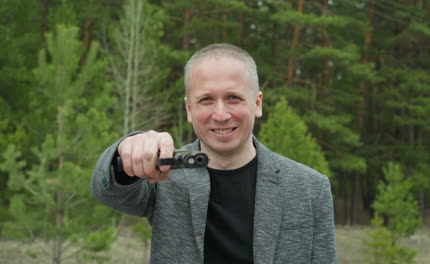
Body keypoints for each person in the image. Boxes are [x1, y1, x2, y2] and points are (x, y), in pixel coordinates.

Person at [91, 43, 337, 264]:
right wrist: (126, 153)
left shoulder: (310, 188)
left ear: (257, 103)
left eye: (233, 98)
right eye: (207, 100)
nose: (220, 114)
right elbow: (108, 191)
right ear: (189, 109)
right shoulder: (164, 175)